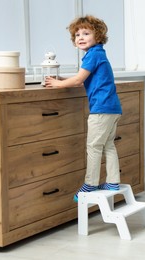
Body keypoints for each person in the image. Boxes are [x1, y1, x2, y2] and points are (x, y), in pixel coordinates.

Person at [45, 15, 122, 202]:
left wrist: (57, 84)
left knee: (94, 147)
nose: (81, 37)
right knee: (108, 145)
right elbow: (82, 80)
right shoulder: (99, 54)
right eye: (77, 34)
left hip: (101, 110)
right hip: (113, 108)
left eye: (86, 33)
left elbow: (79, 80)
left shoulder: (92, 55)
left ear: (98, 35)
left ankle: (91, 184)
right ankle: (113, 181)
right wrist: (63, 81)